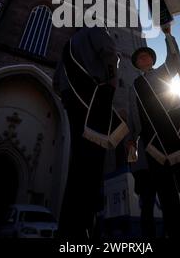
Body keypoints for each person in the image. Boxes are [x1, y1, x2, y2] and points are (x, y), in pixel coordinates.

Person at [128, 26, 180, 238]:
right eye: (140, 58)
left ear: (152, 59)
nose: (144, 58)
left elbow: (175, 60)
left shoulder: (164, 71)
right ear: (137, 64)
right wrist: (132, 139)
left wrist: (167, 35)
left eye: (146, 55)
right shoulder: (135, 85)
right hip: (153, 144)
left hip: (176, 136)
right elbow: (134, 115)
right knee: (167, 197)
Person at [54, 25, 128, 241]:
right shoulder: (96, 31)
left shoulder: (67, 46)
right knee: (93, 160)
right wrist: (112, 83)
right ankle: (85, 225)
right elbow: (109, 53)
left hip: (71, 99)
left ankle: (69, 228)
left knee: (77, 163)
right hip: (93, 95)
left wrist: (69, 97)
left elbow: (56, 83)